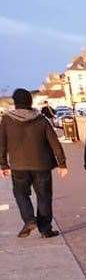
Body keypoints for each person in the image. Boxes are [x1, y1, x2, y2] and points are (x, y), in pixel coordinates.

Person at [0, 88, 68, 238]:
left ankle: (30, 219)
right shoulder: (41, 119)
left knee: (20, 194)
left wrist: (3, 164)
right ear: (30, 101)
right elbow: (54, 142)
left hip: (19, 165)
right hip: (42, 165)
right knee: (44, 196)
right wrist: (62, 163)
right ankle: (45, 229)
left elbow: (2, 144)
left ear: (15, 102)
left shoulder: (6, 119)